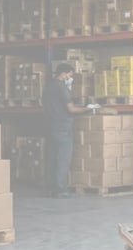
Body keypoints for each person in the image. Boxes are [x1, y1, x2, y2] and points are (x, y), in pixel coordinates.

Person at [42, 63, 98, 198]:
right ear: (63, 73)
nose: (70, 78)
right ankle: (61, 190)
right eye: (69, 75)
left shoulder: (48, 87)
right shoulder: (62, 88)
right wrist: (88, 108)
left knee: (51, 158)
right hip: (63, 127)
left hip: (50, 126)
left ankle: (50, 188)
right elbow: (71, 109)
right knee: (63, 159)